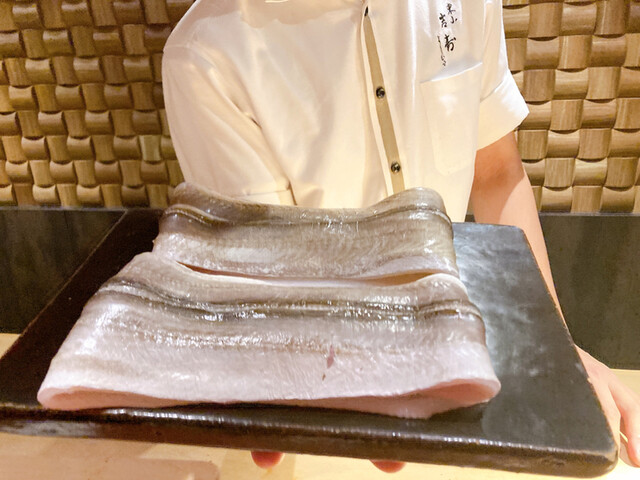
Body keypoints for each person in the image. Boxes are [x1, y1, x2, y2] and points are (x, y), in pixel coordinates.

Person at [161, 0, 640, 471]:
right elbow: (279, 278)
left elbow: (495, 172)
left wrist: (552, 351)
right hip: (327, 394)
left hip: (468, 357)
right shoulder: (207, 53)